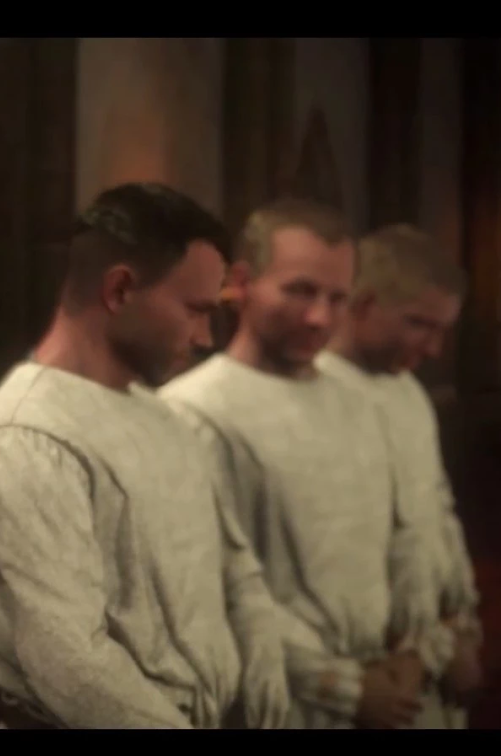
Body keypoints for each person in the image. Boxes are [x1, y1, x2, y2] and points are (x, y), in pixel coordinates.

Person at [0, 182, 290, 730]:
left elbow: (234, 564)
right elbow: (72, 662)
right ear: (120, 289)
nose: (207, 337)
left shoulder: (163, 416)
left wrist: (263, 657)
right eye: (195, 310)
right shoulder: (25, 435)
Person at [159, 198, 444, 729]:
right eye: (299, 291)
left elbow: (406, 536)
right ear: (241, 282)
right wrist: (345, 687)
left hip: (391, 689)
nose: (320, 317)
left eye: (337, 298)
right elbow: (210, 587)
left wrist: (414, 649)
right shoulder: (195, 412)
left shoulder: (361, 402)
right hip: (284, 702)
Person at [315, 223, 483, 728]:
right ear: (363, 304)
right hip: (358, 674)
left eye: (442, 330)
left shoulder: (409, 393)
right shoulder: (312, 397)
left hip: (431, 660)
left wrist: (460, 627)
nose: (433, 348)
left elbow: (436, 513)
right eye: (419, 325)